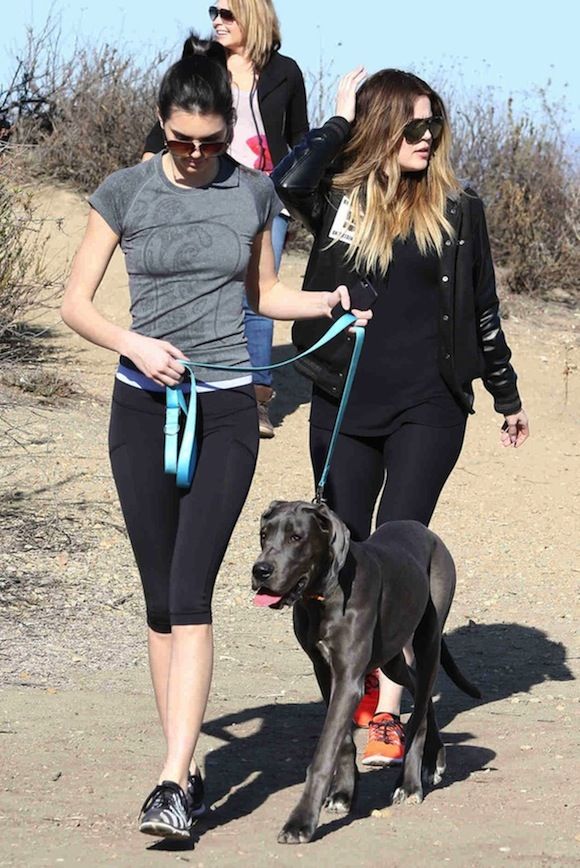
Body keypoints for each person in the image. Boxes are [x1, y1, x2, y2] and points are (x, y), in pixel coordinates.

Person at [60, 40, 370, 840]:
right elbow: (76, 306)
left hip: (228, 410)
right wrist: (134, 345)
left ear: (230, 131)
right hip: (141, 409)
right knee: (161, 599)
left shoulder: (254, 193)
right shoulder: (122, 192)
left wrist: (330, 300)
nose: (195, 156)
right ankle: (187, 763)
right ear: (161, 126)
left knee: (194, 590)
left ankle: (168, 783)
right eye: (180, 141)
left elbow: (264, 294)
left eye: (210, 142)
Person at [272, 67, 530, 766]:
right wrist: (335, 120)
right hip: (344, 402)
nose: (426, 137)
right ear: (382, 128)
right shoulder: (340, 200)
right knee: (344, 546)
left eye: (434, 125)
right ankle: (351, 689)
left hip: (431, 406)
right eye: (412, 126)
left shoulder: (460, 208)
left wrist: (505, 394)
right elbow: (285, 184)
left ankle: (387, 710)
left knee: (397, 545)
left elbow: (482, 309)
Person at [143, 0, 309, 439]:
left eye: (227, 13)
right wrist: (147, 170)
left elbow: (299, 139)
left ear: (254, 15)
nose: (217, 20)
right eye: (213, 10)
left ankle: (254, 400)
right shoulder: (201, 62)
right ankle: (184, 384)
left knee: (258, 297)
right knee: (200, 287)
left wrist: (298, 194)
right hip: (203, 189)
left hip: (263, 195)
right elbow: (168, 117)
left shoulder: (286, 72)